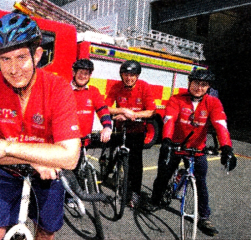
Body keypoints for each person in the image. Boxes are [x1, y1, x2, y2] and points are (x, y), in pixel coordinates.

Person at [0, 13, 81, 240]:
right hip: (9, 173)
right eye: (5, 60)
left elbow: (69, 158)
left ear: (37, 55)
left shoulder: (58, 87)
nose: (13, 69)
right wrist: (36, 158)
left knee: (46, 232)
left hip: (49, 175)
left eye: (21, 57)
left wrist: (5, 147)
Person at [143, 69, 237, 236]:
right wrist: (166, 141)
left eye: (203, 85)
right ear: (189, 83)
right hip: (175, 146)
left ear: (208, 87)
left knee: (201, 183)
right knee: (163, 175)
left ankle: (204, 217)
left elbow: (220, 125)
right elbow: (170, 120)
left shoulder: (213, 103)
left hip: (197, 149)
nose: (199, 88)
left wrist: (227, 148)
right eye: (195, 83)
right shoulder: (176, 99)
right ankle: (155, 200)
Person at [105, 60, 156, 208]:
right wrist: (122, 111)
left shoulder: (144, 87)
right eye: (126, 74)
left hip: (137, 130)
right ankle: (109, 166)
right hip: (120, 128)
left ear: (137, 76)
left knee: (135, 164)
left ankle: (135, 193)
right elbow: (106, 107)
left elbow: (151, 111)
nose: (129, 78)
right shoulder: (116, 86)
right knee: (113, 151)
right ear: (121, 75)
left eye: (132, 75)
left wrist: (132, 114)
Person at [66, 58, 112, 208]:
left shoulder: (93, 92)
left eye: (86, 74)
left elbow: (103, 110)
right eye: (80, 72)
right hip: (65, 140)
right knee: (62, 171)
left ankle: (71, 196)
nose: (83, 76)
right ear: (74, 72)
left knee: (77, 168)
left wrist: (107, 127)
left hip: (83, 141)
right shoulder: (64, 89)